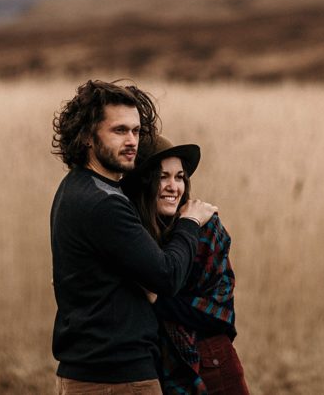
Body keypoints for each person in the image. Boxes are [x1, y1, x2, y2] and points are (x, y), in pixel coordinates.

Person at [50, 80, 218, 394]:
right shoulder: (104, 203)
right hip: (117, 379)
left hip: (92, 373)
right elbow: (166, 276)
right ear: (87, 136)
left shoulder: (76, 186)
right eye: (119, 131)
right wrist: (190, 222)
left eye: (136, 131)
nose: (132, 141)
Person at [123, 135, 251, 395]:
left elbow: (219, 314)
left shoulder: (206, 229)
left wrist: (157, 299)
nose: (174, 186)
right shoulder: (130, 234)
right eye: (163, 177)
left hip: (212, 364)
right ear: (143, 181)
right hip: (154, 369)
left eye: (179, 177)